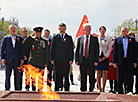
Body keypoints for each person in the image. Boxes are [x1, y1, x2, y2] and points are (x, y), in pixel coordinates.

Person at [23, 27, 49, 91]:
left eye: (39, 32)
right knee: (33, 78)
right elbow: (24, 43)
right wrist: (30, 35)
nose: (38, 34)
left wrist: (46, 63)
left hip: (41, 62)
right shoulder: (32, 40)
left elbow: (46, 53)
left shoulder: (44, 41)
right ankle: (33, 89)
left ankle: (40, 90)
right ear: (35, 33)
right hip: (32, 62)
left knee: (41, 77)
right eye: (37, 32)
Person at [75, 23, 99, 92]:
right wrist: (76, 59)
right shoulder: (80, 38)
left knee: (92, 75)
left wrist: (96, 61)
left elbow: (97, 50)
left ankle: (91, 89)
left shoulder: (94, 39)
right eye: (86, 29)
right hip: (82, 60)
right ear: (84, 30)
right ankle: (83, 89)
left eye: (89, 29)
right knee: (83, 76)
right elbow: (77, 50)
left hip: (91, 60)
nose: (88, 31)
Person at [113, 27, 137, 94]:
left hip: (129, 61)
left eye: (125, 31)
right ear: (121, 32)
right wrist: (114, 61)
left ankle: (128, 90)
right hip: (120, 61)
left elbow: (134, 51)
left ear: (127, 32)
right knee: (120, 77)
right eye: (123, 31)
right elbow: (115, 51)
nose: (124, 32)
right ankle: (120, 91)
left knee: (129, 77)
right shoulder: (117, 40)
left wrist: (135, 61)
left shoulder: (132, 40)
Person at [50, 23, 74, 91]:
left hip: (66, 60)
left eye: (63, 29)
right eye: (61, 29)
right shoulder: (55, 37)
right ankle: (57, 88)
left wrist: (71, 59)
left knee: (66, 75)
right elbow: (52, 49)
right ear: (59, 29)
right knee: (57, 75)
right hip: (57, 60)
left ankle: (66, 89)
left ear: (65, 29)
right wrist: (52, 58)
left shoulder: (69, 38)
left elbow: (71, 49)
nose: (62, 30)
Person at [1, 24, 24, 90]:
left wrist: (22, 58)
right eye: (11, 28)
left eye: (14, 28)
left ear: (16, 29)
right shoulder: (6, 38)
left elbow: (22, 49)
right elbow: (2, 49)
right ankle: (7, 89)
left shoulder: (20, 38)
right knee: (8, 75)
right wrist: (2, 58)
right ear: (9, 29)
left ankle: (17, 89)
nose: (13, 29)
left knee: (17, 76)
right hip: (8, 60)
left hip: (17, 60)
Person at [96, 26, 111, 92]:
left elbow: (109, 49)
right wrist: (97, 57)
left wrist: (105, 57)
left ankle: (103, 88)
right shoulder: (96, 38)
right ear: (99, 31)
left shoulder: (108, 39)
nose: (102, 31)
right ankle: (99, 88)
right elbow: (95, 48)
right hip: (98, 56)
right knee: (98, 73)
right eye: (101, 30)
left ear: (105, 31)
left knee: (104, 73)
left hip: (105, 57)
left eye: (103, 30)